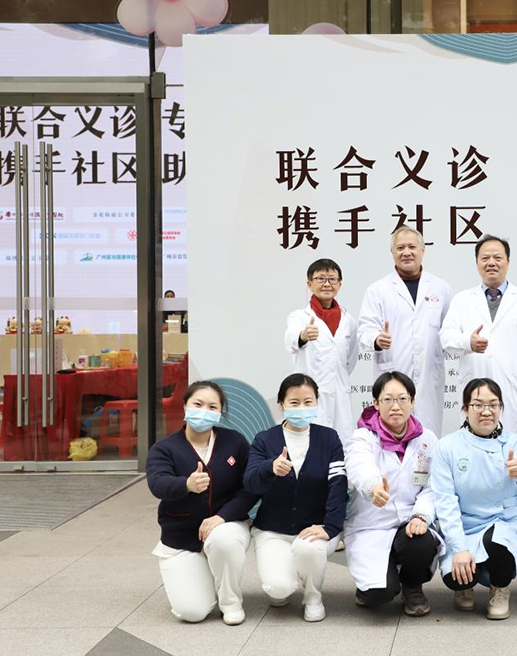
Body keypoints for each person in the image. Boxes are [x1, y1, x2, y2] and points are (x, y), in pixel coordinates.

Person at [146, 381, 257, 626]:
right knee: (192, 613)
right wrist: (186, 484)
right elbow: (157, 483)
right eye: (198, 404)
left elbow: (250, 487)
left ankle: (231, 602)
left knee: (224, 540)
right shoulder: (164, 449)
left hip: (227, 525)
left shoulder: (235, 443)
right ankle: (205, 573)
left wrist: (222, 516)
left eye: (212, 407)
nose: (204, 411)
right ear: (185, 405)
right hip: (181, 538)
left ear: (220, 412)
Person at [430, 377, 517, 619]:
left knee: (498, 546)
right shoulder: (448, 446)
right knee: (455, 577)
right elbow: (446, 502)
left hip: (501, 520)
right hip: (464, 523)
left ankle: (500, 587)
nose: (486, 411)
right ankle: (464, 586)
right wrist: (459, 549)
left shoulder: (513, 441)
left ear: (501, 408)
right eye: (478, 405)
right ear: (465, 409)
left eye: (493, 405)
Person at [243, 373, 348, 622]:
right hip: (272, 529)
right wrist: (269, 468)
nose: (302, 408)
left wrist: (330, 527)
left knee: (308, 548)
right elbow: (249, 483)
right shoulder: (265, 439)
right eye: (294, 402)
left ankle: (313, 597)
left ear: (317, 402)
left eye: (308, 402)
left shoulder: (329, 438)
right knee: (278, 589)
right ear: (281, 404)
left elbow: (338, 485)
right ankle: (285, 581)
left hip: (315, 527)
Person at [345, 371, 442, 616]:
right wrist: (373, 486)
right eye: (387, 400)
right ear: (376, 403)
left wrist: (421, 516)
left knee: (420, 542)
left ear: (412, 401)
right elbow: (358, 464)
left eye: (402, 399)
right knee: (379, 594)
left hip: (409, 520)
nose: (395, 406)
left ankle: (412, 585)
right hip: (372, 525)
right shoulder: (363, 437)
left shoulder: (427, 439)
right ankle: (374, 586)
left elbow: (433, 486)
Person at [440, 236, 517, 433]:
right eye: (485, 258)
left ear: (508, 262)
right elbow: (446, 338)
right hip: (474, 389)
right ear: (477, 262)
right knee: (473, 444)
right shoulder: (462, 300)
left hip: (512, 393)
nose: (491, 263)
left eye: (497, 257)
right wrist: (467, 342)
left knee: (511, 446)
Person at [357, 226, 453, 436]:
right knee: (391, 438)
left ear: (423, 250)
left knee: (427, 439)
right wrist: (376, 339)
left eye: (412, 247)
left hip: (429, 378)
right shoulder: (378, 290)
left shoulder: (441, 288)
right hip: (392, 374)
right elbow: (364, 330)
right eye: (400, 248)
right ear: (392, 251)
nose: (406, 252)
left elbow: (450, 331)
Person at [284, 258, 359, 442]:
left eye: (332, 279)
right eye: (320, 279)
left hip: (340, 393)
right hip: (309, 394)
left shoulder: (348, 320)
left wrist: (336, 376)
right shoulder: (299, 317)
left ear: (339, 284)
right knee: (312, 443)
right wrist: (303, 336)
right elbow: (291, 340)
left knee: (341, 444)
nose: (327, 284)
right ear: (309, 284)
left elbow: (350, 359)